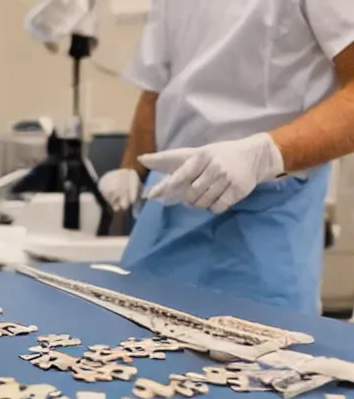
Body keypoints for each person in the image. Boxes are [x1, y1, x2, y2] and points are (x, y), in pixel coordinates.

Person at [96, 0, 354, 314]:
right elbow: (158, 88)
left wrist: (263, 155)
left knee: (256, 353)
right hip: (168, 206)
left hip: (265, 217)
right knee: (130, 338)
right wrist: (130, 168)